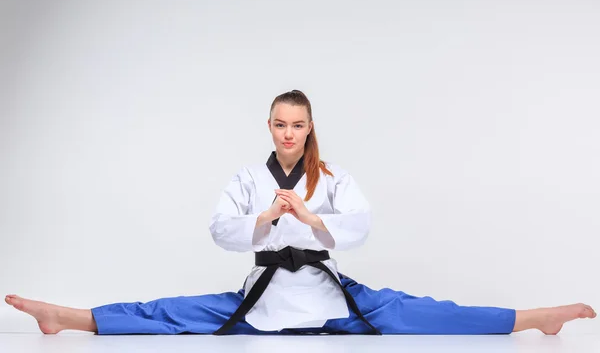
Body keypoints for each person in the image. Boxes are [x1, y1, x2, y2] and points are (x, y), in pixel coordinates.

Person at [4, 90, 596, 335]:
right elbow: (219, 229)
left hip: (327, 293)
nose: (288, 134)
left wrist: (313, 219)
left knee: (425, 313)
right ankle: (66, 317)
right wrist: (263, 219)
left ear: (310, 127)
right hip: (262, 294)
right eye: (279, 124)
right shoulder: (246, 177)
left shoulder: (330, 177)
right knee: (167, 312)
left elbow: (359, 226)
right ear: (269, 126)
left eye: (298, 125)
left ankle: (536, 318)